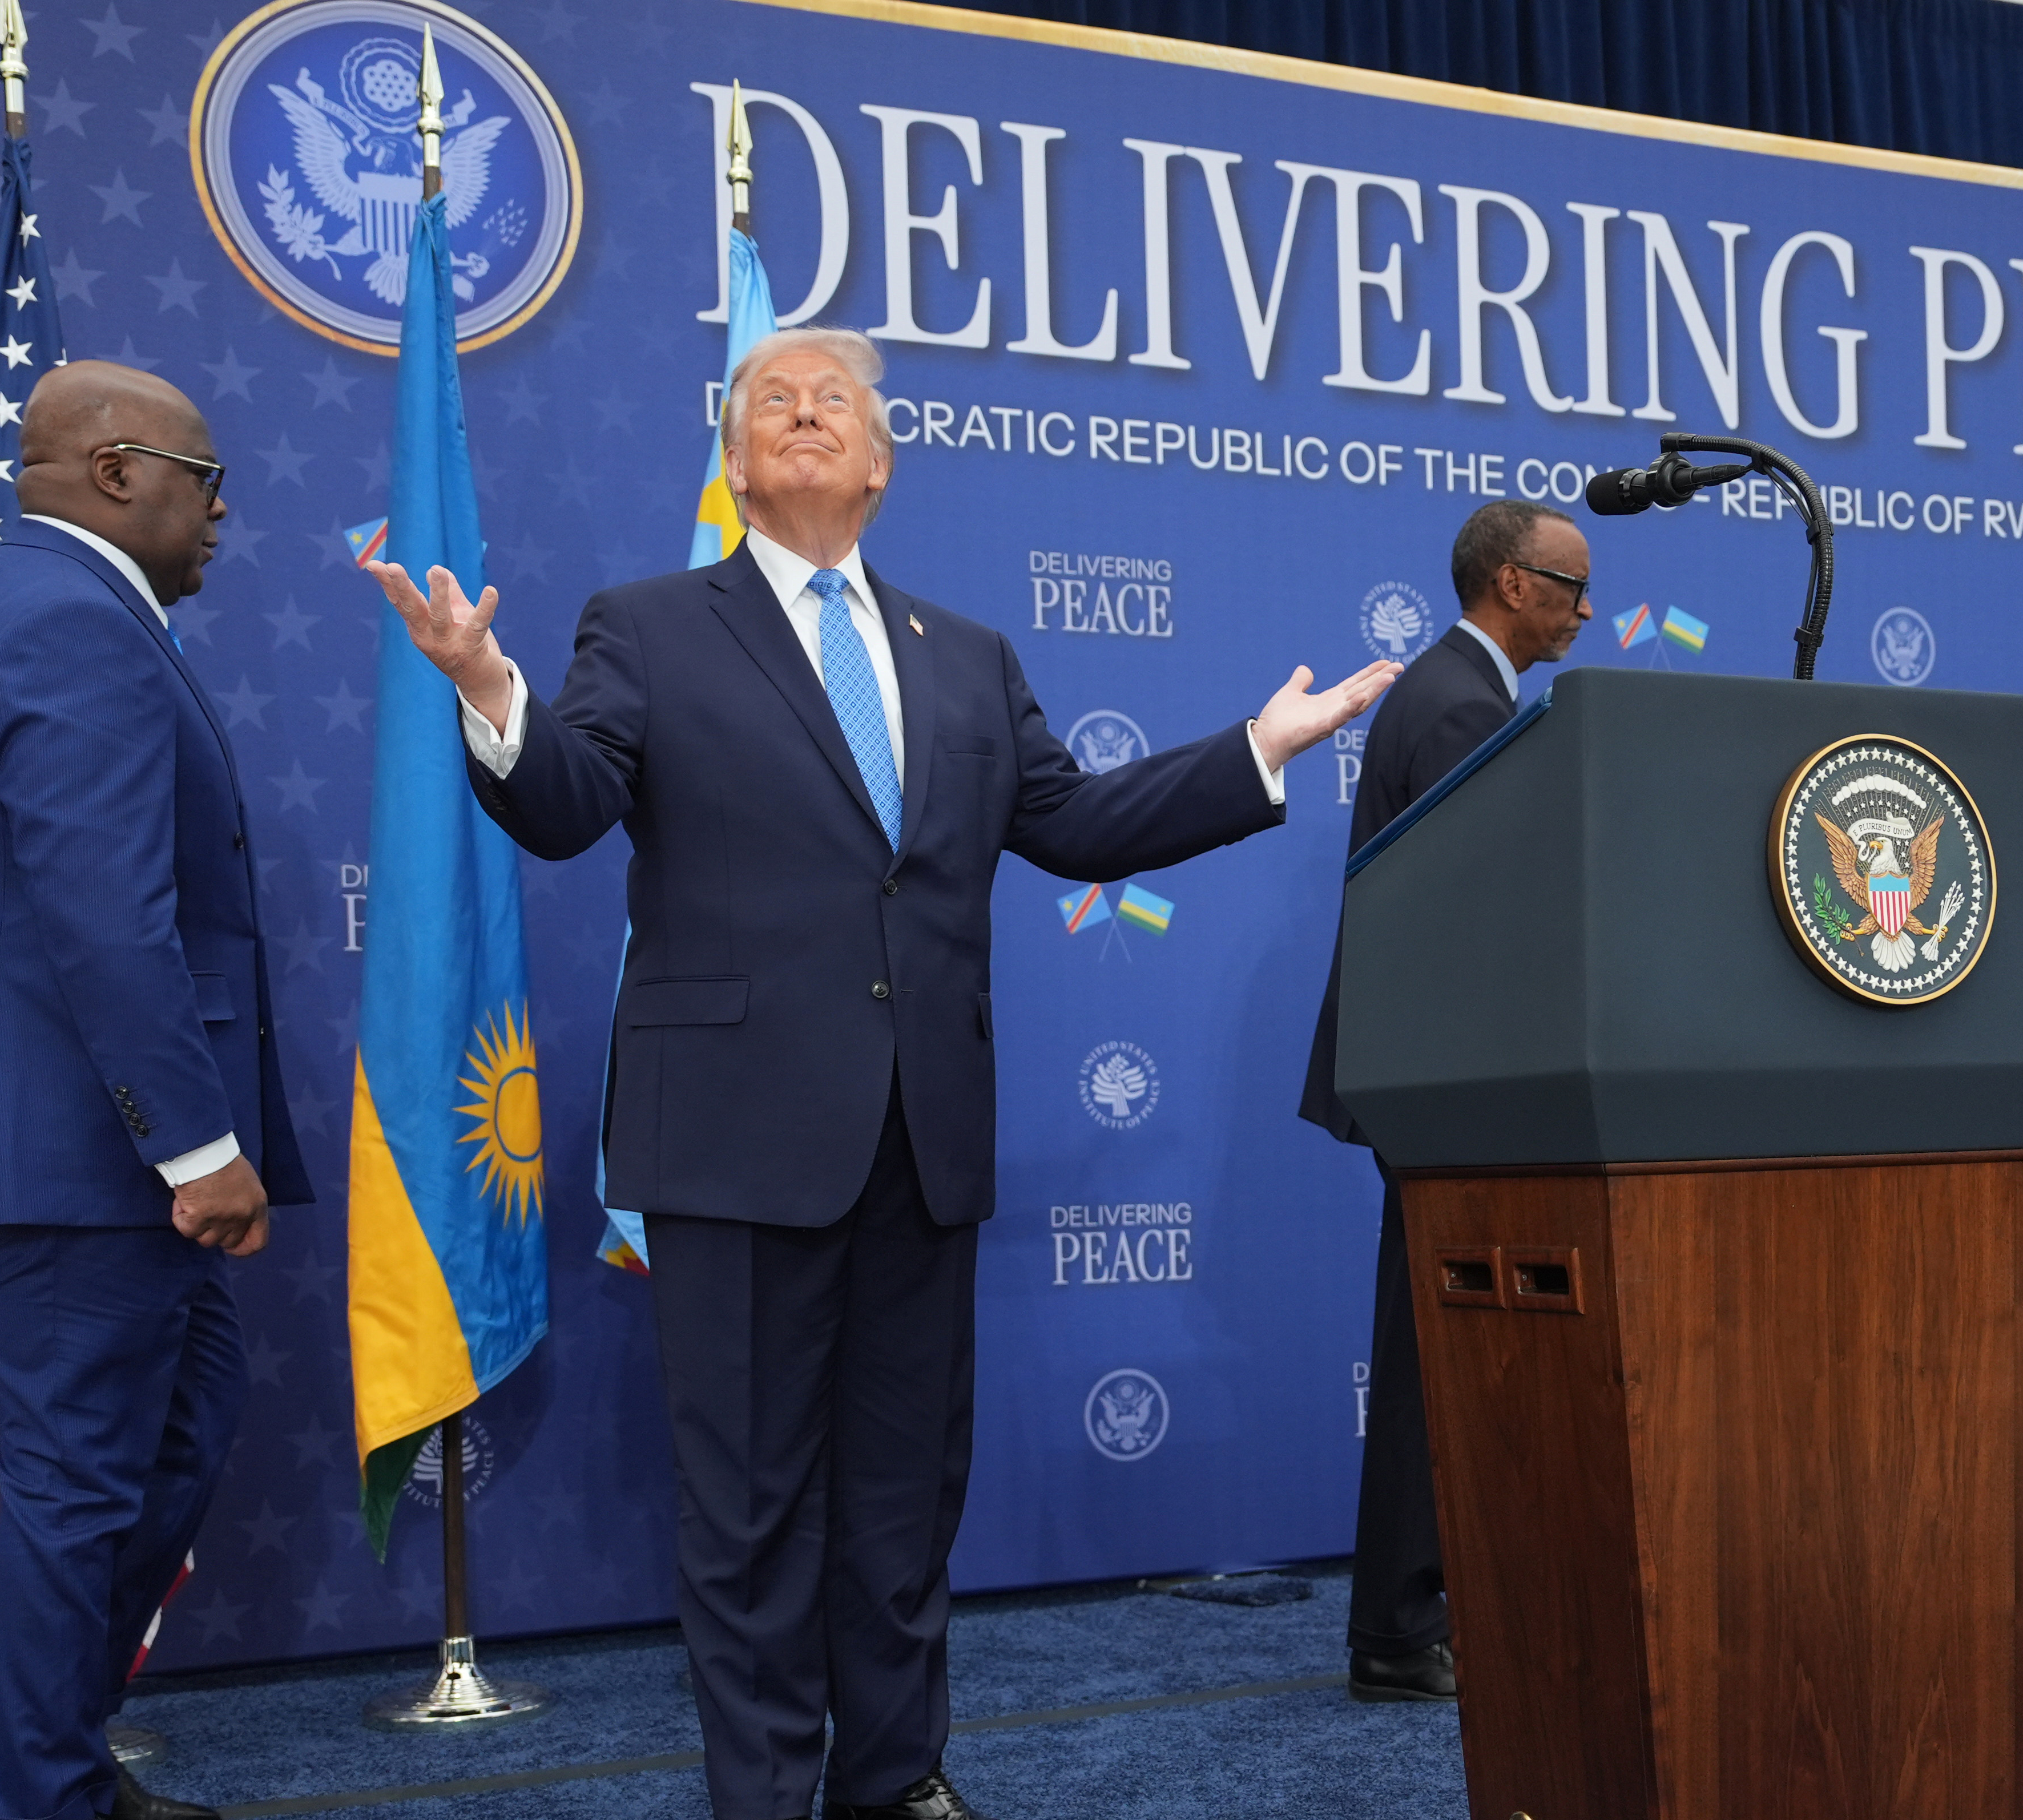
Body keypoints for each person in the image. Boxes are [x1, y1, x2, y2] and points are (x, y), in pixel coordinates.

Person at [369, 325, 1398, 1820]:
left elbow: (1080, 824)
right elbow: (568, 799)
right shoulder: (647, 624)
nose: (799, 412)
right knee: (751, 1508)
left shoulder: (965, 655)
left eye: (831, 400)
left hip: (921, 1138)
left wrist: (1256, 747)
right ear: (732, 458)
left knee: (905, 1497)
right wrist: (488, 689)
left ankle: (896, 1773)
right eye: (768, 400)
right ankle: (768, 1793)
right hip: (731, 1141)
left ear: (880, 459)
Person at [0, 362, 312, 1820]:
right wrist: (195, 1145)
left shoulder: (42, 602)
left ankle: (48, 1751)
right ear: (120, 471)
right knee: (76, 1480)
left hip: (70, 1137)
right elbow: (106, 913)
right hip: (81, 1144)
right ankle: (41, 1794)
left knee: (173, 1428)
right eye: (209, 478)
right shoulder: (63, 615)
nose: (224, 513)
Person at [1299, 499, 1594, 1703]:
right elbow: (1492, 914)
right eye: (1573, 586)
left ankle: (1410, 1617)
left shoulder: (1450, 691)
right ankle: (1402, 1628)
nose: (1587, 609)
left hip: (1433, 1074)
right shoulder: (1463, 704)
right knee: (1431, 1360)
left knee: (1437, 1353)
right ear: (1513, 585)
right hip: (1446, 1082)